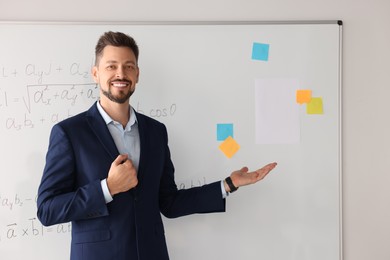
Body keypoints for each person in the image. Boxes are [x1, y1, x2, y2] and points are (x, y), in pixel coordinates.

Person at [37, 31, 277, 260]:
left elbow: (169, 202)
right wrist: (107, 188)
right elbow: (47, 210)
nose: (121, 74)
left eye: (128, 66)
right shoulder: (69, 133)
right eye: (111, 66)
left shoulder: (156, 131)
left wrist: (229, 184)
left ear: (137, 74)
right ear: (95, 73)